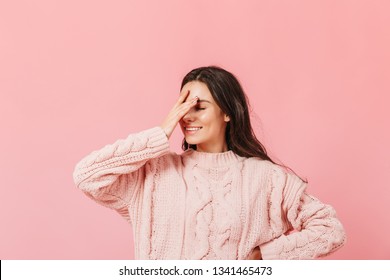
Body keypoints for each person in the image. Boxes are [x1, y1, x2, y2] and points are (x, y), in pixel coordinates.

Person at [73, 66, 346, 260]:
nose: (187, 117)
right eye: (182, 107)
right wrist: (161, 131)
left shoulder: (267, 178)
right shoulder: (153, 174)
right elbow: (87, 175)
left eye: (199, 107)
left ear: (227, 112)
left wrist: (266, 256)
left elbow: (330, 230)